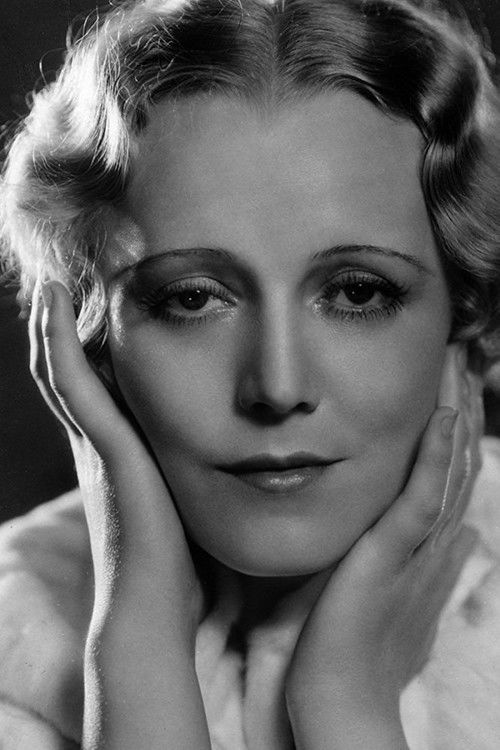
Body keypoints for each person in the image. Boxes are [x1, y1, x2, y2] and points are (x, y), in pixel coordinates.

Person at [0, 0, 500, 747]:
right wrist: (138, 645)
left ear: (467, 317)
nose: (277, 386)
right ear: (83, 338)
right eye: (192, 298)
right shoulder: (15, 632)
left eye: (356, 293)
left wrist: (344, 701)